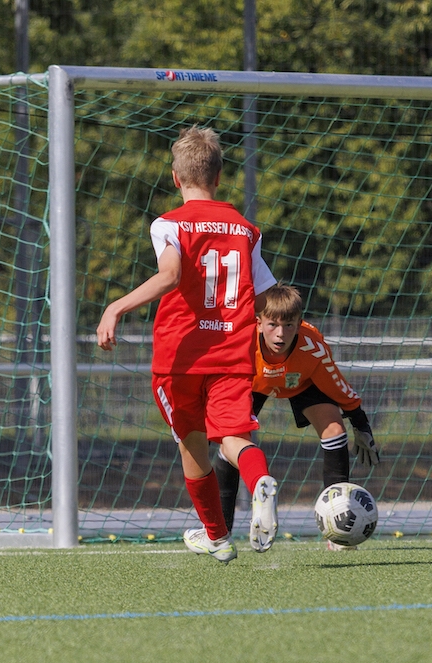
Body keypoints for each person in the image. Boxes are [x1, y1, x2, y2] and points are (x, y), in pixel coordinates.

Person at [96, 126, 280, 564]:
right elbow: (264, 298)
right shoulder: (246, 231)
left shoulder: (169, 224)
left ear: (176, 178)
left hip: (180, 358)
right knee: (233, 438)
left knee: (191, 445)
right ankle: (260, 483)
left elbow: (171, 275)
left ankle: (218, 538)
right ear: (219, 176)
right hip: (232, 355)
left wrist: (116, 307)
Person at [213, 283, 380, 550]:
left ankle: (339, 530)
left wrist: (361, 424)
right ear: (258, 323)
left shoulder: (312, 347)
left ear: (299, 324)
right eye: (273, 325)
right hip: (251, 383)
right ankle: (221, 533)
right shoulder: (241, 343)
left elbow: (338, 387)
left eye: (289, 325)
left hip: (302, 383)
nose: (281, 334)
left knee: (335, 430)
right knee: (232, 441)